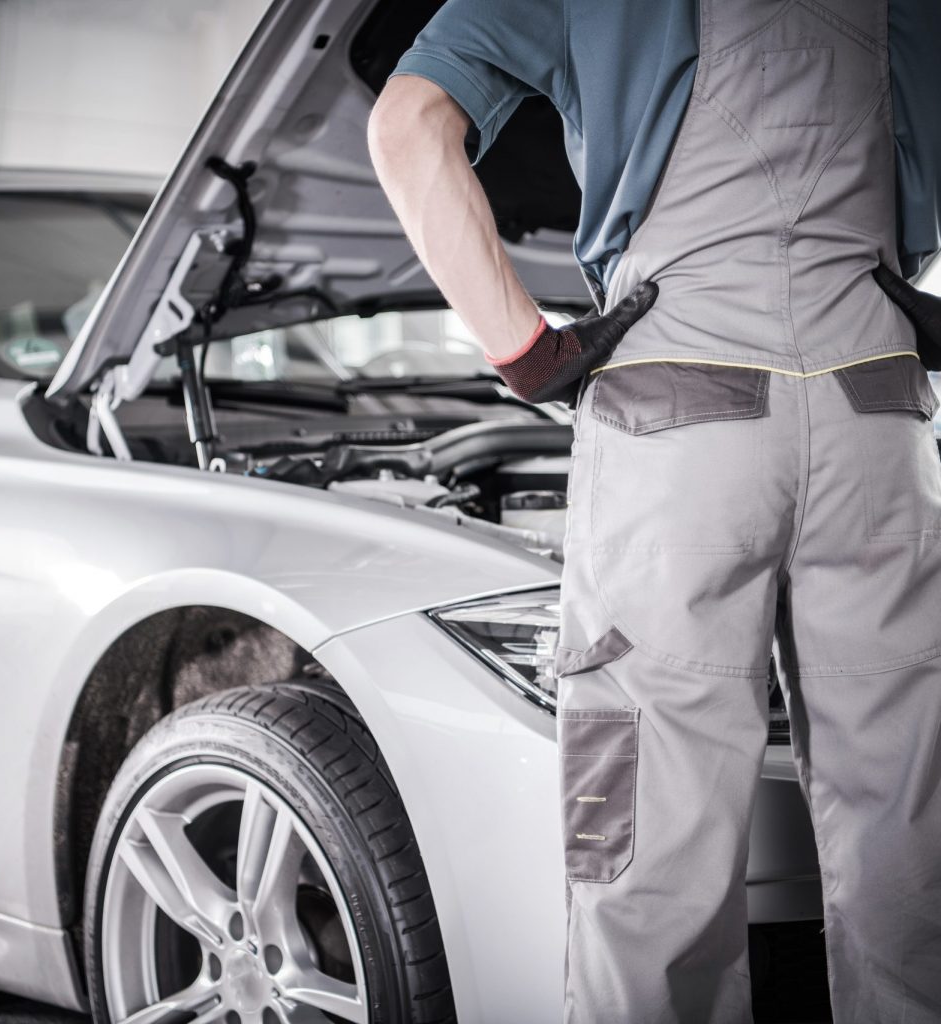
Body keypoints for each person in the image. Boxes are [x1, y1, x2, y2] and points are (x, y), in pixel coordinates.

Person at [367, 0, 941, 1020]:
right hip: (879, 412)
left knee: (652, 843)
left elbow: (408, 123)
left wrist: (526, 348)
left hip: (679, 417)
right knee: (911, 829)